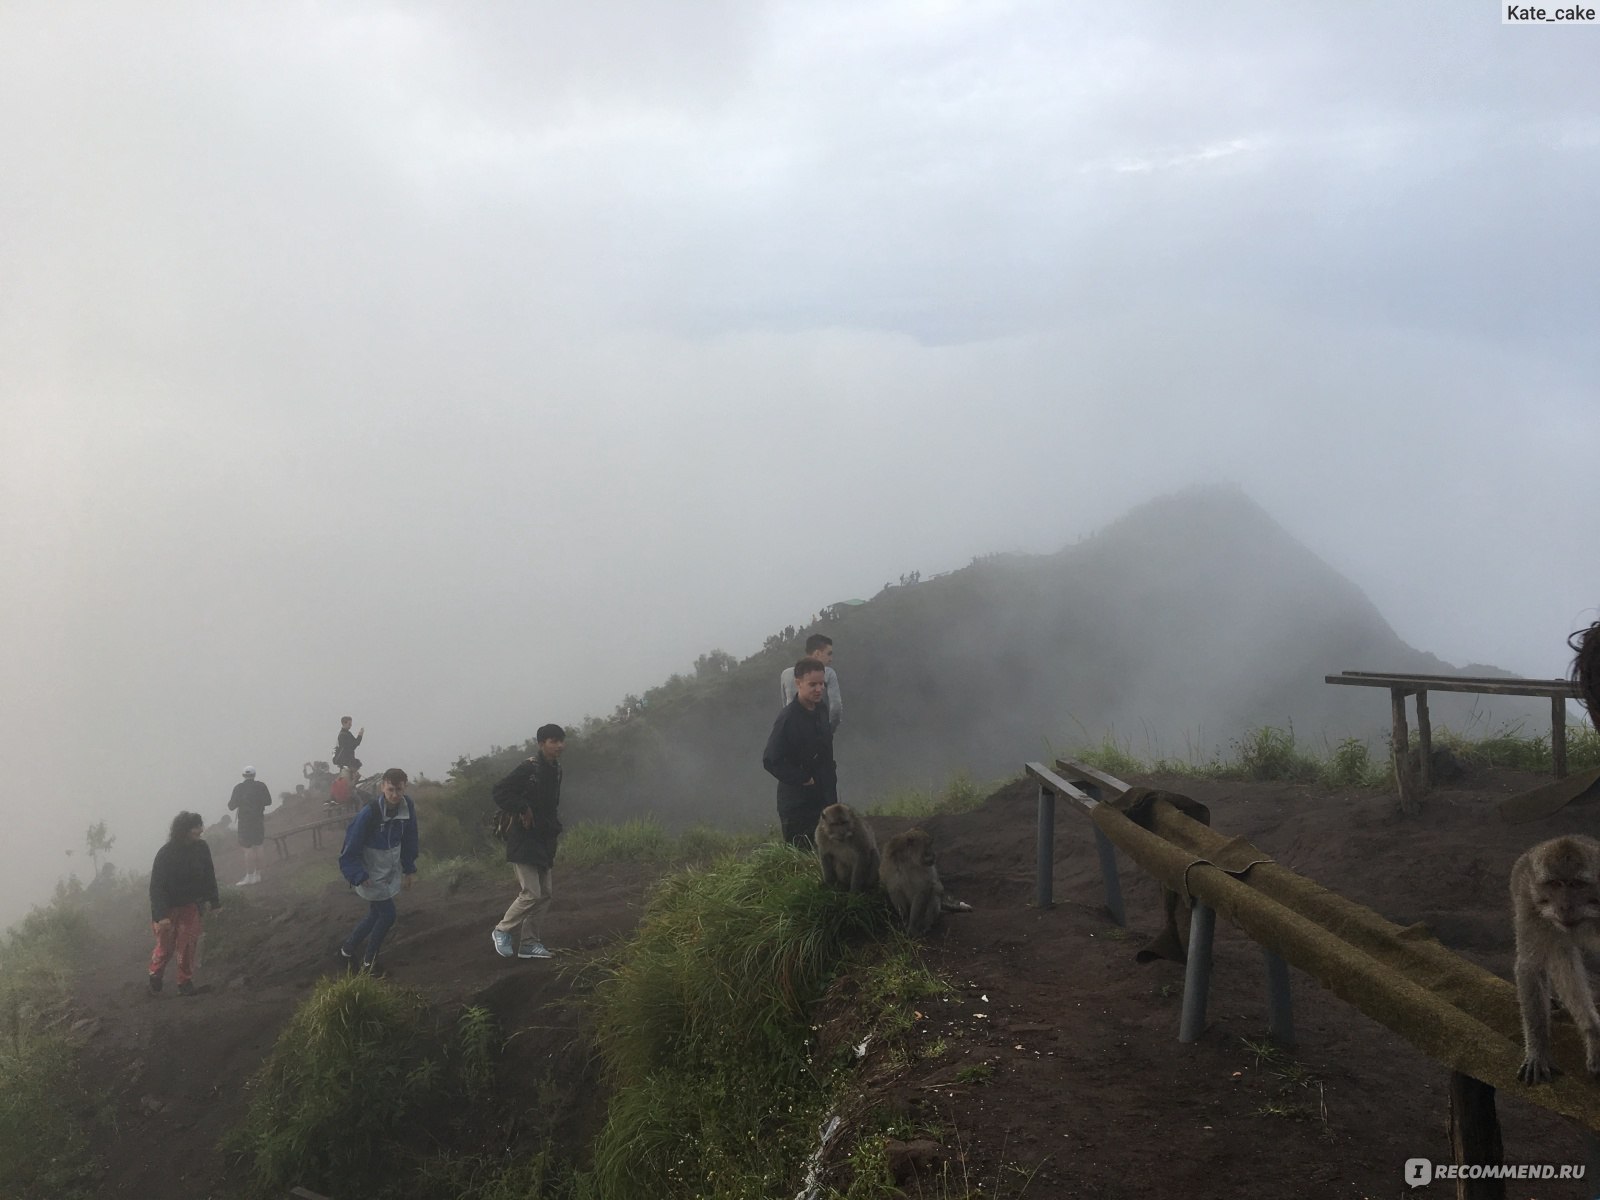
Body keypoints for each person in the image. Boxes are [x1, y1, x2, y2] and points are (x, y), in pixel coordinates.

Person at [490, 725, 566, 961]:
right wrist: (522, 807)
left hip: (544, 838)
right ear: (541, 743)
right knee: (531, 893)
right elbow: (500, 791)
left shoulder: (556, 769)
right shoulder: (529, 767)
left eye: (561, 741)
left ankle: (529, 943)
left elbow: (550, 804)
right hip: (524, 838)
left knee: (545, 894)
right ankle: (502, 930)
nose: (559, 746)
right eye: (554, 741)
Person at [336, 767, 418, 975]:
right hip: (369, 874)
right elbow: (350, 847)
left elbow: (410, 838)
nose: (395, 795)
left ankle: (346, 951)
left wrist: (409, 869)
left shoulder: (407, 807)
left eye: (399, 790)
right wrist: (357, 874)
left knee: (375, 914)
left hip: (390, 870)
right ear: (382, 786)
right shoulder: (369, 813)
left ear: (405, 788)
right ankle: (369, 963)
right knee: (388, 915)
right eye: (390, 789)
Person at [763, 657, 837, 847]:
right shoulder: (788, 718)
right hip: (798, 804)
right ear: (798, 683)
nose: (819, 689)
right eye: (812, 684)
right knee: (803, 858)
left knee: (831, 852)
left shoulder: (821, 709)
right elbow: (771, 760)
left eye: (822, 683)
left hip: (825, 797)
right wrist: (804, 778)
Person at [148, 811, 220, 996]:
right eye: (196, 827)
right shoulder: (166, 854)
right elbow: (156, 887)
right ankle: (155, 973)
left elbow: (209, 875)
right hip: (168, 908)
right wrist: (160, 916)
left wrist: (214, 901)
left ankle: (184, 981)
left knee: (188, 944)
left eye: (200, 826)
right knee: (166, 947)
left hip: (191, 905)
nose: (200, 830)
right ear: (184, 830)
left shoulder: (201, 848)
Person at [780, 634, 842, 732]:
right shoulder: (829, 673)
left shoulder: (786, 674)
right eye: (828, 654)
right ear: (817, 653)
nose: (831, 659)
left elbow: (785, 708)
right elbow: (836, 707)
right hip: (817, 730)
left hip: (793, 731)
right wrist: (830, 729)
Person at [227, 765, 272, 886]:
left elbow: (231, 806)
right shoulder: (261, 786)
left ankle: (249, 876)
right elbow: (268, 801)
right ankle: (258, 875)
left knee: (248, 849)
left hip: (245, 823)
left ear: (243, 775)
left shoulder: (239, 788)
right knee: (259, 846)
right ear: (254, 775)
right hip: (258, 820)